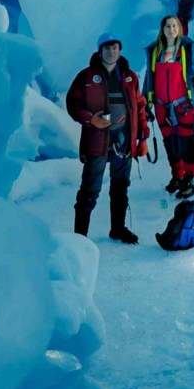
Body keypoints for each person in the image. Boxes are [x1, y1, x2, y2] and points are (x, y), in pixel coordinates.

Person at [65, 33, 147, 243]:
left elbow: (139, 107)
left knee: (120, 186)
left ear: (120, 50)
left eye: (115, 47)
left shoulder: (130, 77)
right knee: (89, 190)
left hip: (123, 140)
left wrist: (142, 138)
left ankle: (118, 229)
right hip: (97, 142)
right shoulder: (86, 77)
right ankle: (80, 238)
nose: (112, 51)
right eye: (107, 48)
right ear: (100, 51)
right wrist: (91, 119)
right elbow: (73, 104)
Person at [143, 15, 194, 200]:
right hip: (161, 107)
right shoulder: (155, 52)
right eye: (168, 26)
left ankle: (189, 178)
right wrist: (145, 104)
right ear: (163, 29)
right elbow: (149, 79)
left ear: (180, 28)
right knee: (170, 143)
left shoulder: (187, 49)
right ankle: (177, 175)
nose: (171, 29)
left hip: (184, 105)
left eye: (175, 25)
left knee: (186, 142)